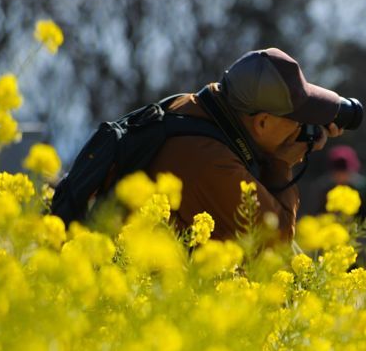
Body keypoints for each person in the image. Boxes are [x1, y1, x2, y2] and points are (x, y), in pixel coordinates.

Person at [146, 48, 344, 242]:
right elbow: (276, 242)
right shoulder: (213, 162)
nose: (301, 127)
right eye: (298, 120)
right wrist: (281, 164)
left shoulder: (192, 108)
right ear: (262, 122)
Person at [299, 145, 366, 217]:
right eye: (337, 173)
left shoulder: (360, 187)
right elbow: (316, 211)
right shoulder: (323, 187)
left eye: (344, 172)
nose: (340, 177)